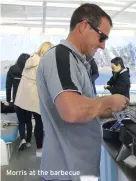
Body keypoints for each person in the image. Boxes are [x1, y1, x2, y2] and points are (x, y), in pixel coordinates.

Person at [36, 3, 128, 181]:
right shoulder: (61, 57)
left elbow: (84, 107)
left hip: (80, 169)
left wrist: (111, 110)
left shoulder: (78, 62)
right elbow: (71, 111)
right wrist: (108, 101)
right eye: (102, 37)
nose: (102, 46)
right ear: (84, 26)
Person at [14, 42, 53, 156]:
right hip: (34, 95)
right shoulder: (43, 62)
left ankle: (24, 140)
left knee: (23, 121)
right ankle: (39, 149)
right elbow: (46, 81)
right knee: (39, 123)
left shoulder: (30, 59)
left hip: (22, 97)